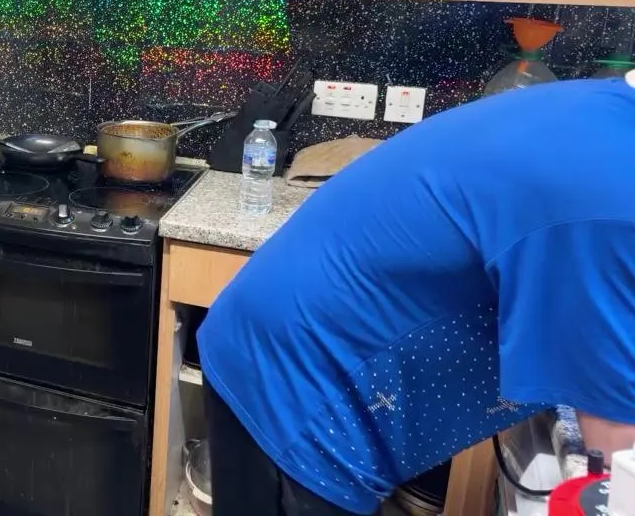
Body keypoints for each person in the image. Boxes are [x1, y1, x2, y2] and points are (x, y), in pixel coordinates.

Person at [197, 75, 635, 515]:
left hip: (295, 354)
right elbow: (616, 444)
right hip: (301, 389)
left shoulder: (602, 115)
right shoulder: (613, 185)